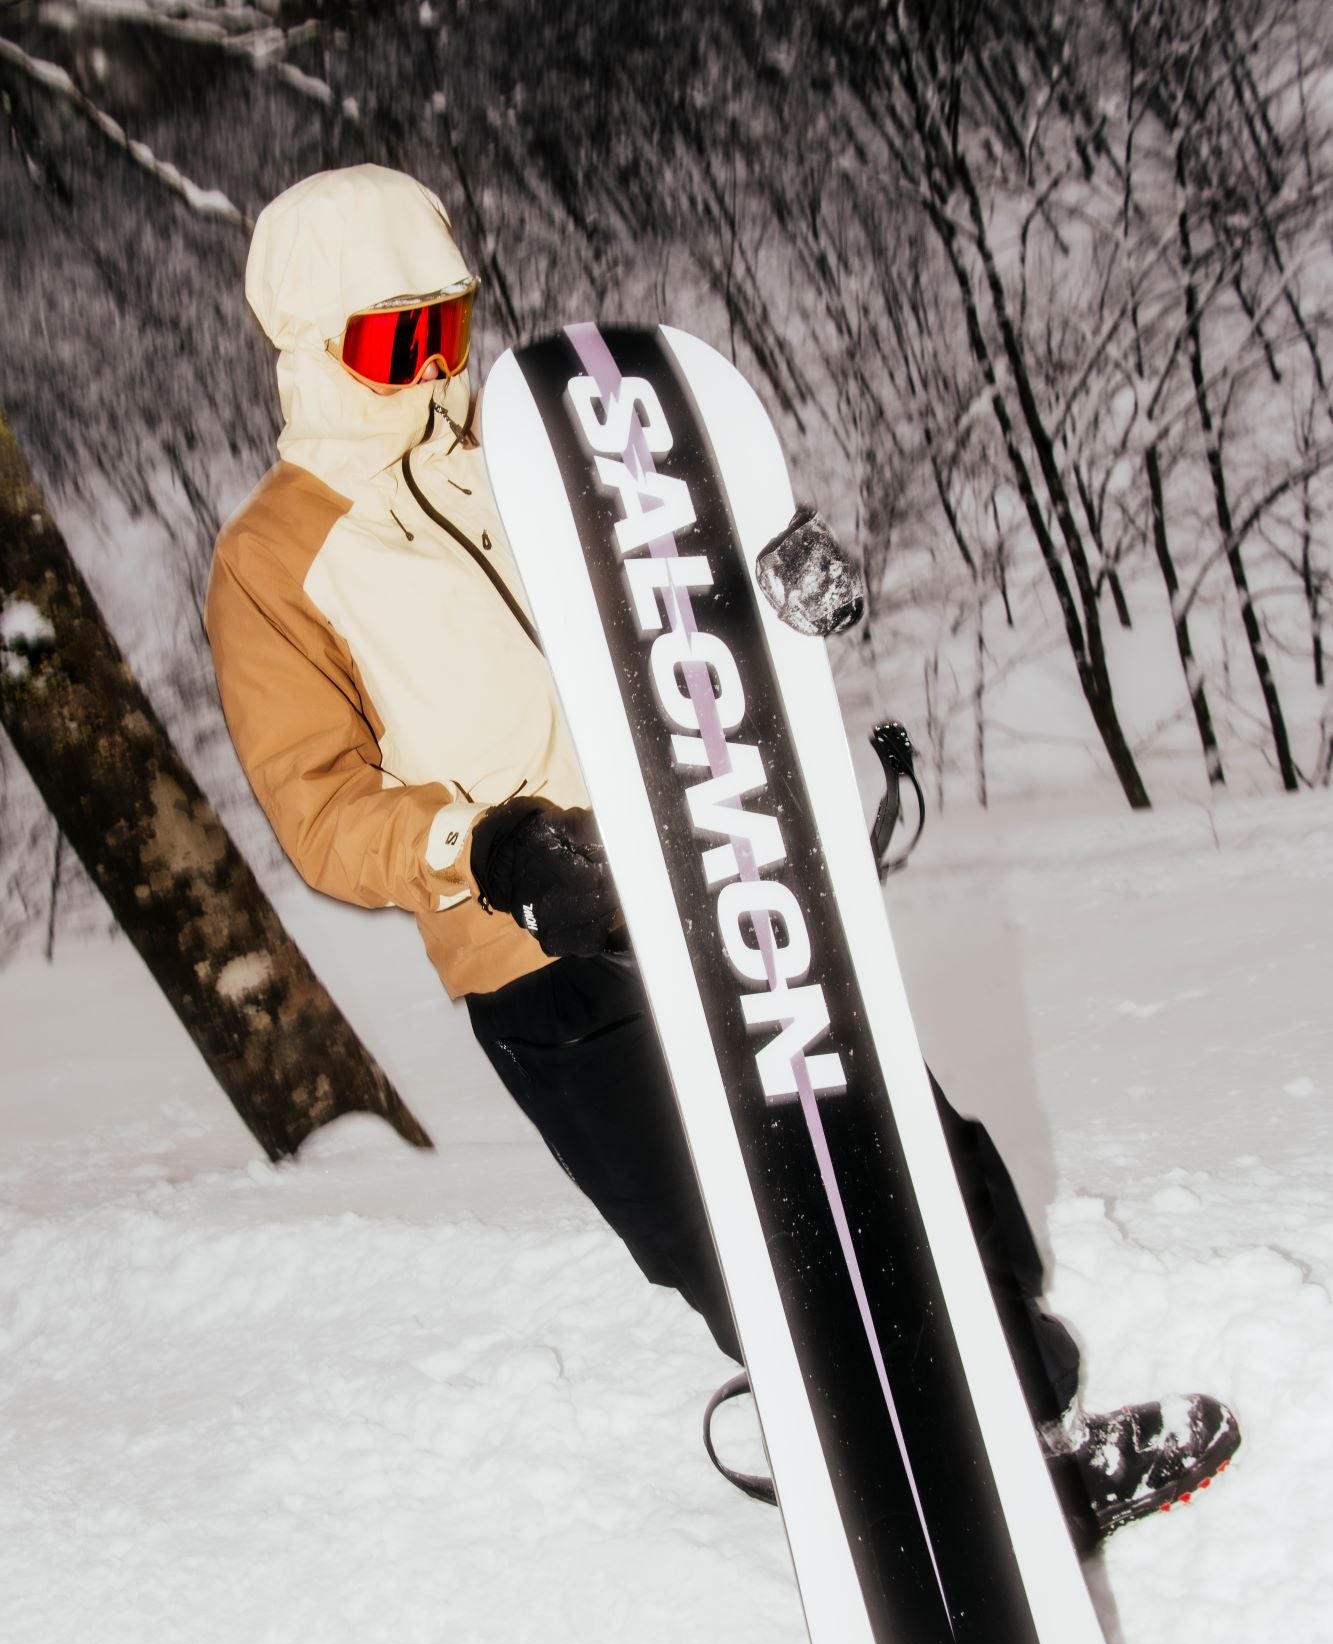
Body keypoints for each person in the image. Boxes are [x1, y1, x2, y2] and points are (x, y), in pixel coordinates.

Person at [206, 164, 1239, 1542]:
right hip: (548, 955)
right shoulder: (272, 559)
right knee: (745, 1237)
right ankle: (901, 1468)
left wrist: (782, 571)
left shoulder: (541, 446)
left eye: (448, 322)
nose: (438, 365)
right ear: (312, 345)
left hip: (724, 863)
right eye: (396, 341)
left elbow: (685, 569)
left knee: (903, 1153)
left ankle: (1014, 1422)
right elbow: (319, 805)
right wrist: (485, 841)